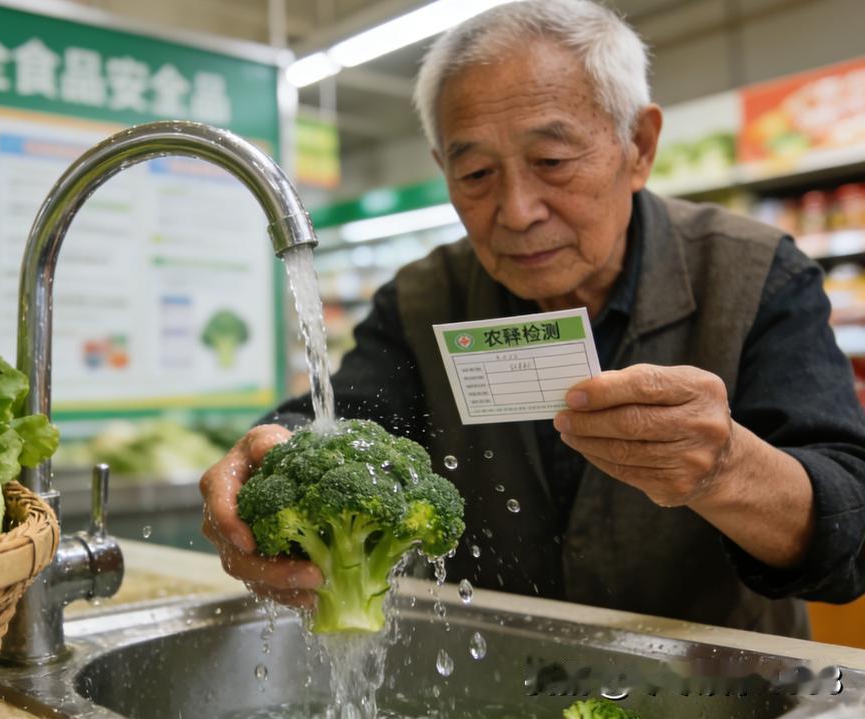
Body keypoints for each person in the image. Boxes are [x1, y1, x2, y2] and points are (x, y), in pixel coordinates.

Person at [200, 0, 865, 638]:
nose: (517, 210)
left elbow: (850, 529)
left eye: (551, 161)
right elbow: (339, 423)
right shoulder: (421, 299)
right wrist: (271, 453)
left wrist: (726, 468)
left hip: (716, 685)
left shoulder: (756, 274)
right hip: (495, 677)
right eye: (478, 173)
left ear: (639, 145)